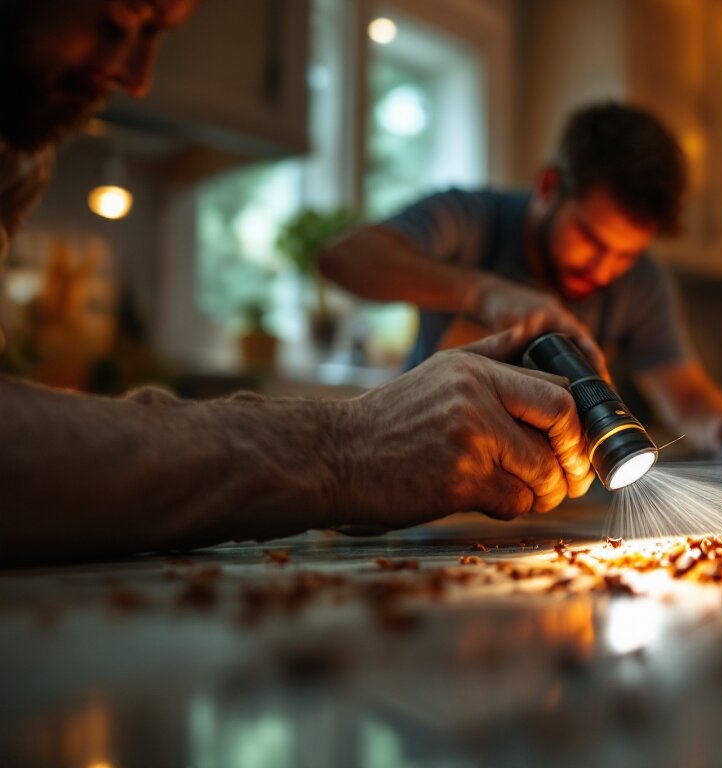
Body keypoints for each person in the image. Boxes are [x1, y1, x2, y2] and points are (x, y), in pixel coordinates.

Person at [0, 0, 595, 566]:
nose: (138, 78)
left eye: (158, 33)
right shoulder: (473, 213)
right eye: (120, 20)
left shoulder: (20, 153)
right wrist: (345, 449)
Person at [319, 103, 722, 466]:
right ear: (548, 186)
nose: (604, 270)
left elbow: (686, 398)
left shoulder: (643, 282)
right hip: (425, 473)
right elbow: (345, 258)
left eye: (625, 255)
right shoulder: (470, 218)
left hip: (544, 508)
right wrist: (484, 292)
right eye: (590, 238)